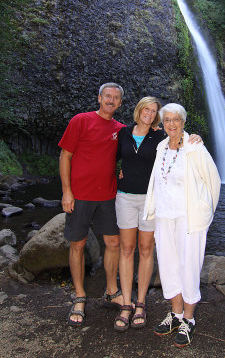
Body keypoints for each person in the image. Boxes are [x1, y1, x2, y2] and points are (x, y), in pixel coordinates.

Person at [114, 97, 202, 331]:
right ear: (139, 110)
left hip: (152, 201)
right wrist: (118, 173)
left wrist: (196, 137)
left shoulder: (160, 137)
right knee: (127, 249)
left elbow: (180, 139)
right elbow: (110, 158)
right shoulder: (123, 133)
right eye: (147, 109)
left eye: (154, 111)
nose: (150, 114)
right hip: (127, 197)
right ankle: (126, 303)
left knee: (146, 249)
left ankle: (141, 303)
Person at [143, 103, 221, 348]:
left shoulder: (195, 147)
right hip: (165, 217)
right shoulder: (161, 146)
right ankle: (175, 314)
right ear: (163, 123)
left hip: (189, 220)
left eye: (176, 119)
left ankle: (189, 319)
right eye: (167, 120)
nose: (172, 124)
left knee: (189, 266)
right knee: (168, 266)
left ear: (184, 122)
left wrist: (205, 214)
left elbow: (213, 181)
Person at [58, 82, 125, 326]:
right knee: (78, 244)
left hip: (108, 196)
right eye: (107, 96)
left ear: (119, 103)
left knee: (113, 242)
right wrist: (67, 191)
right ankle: (79, 295)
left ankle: (111, 289)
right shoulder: (80, 120)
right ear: (99, 98)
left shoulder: (121, 129)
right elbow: (65, 155)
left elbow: (138, 147)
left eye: (116, 98)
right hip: (80, 195)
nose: (111, 100)